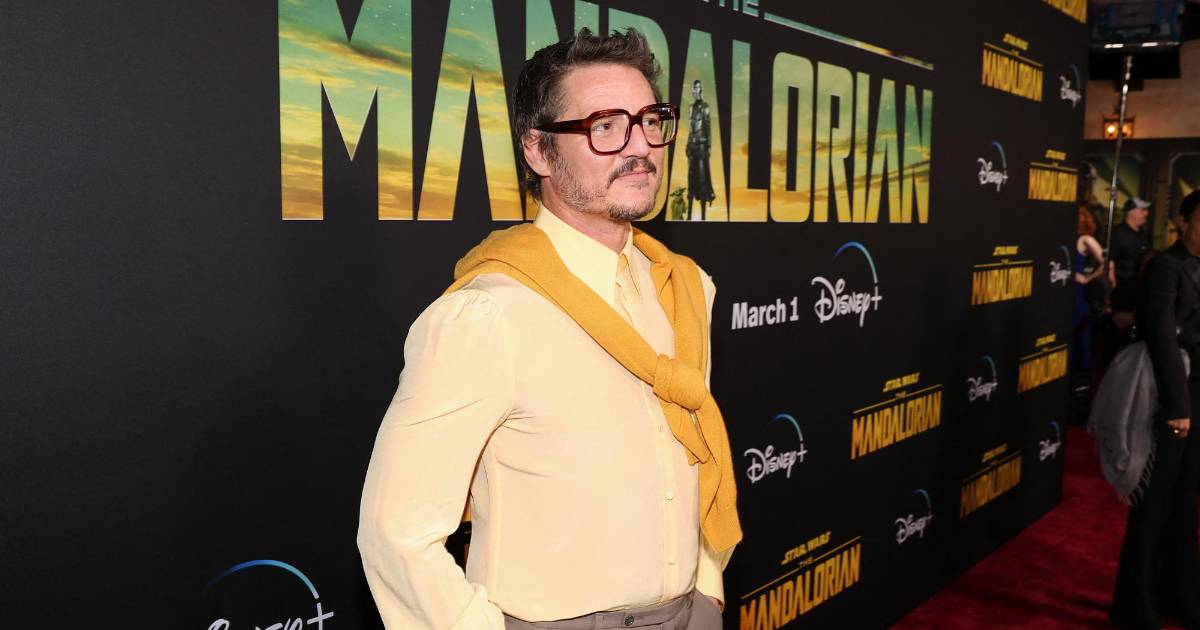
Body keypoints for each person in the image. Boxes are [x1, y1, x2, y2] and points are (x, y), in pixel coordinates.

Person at [357, 28, 740, 630]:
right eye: (605, 126)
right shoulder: (488, 316)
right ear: (538, 151)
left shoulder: (686, 289)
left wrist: (707, 589)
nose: (640, 147)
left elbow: (695, 456)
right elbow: (395, 533)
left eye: (649, 121)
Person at [1111, 190, 1200, 629]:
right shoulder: (1166, 265)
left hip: (1197, 397)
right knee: (1152, 506)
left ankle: (1178, 596)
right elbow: (1162, 337)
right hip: (1169, 398)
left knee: (1185, 506)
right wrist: (1178, 407)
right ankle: (1135, 611)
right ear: (1183, 222)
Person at [1110, 197, 1152, 313]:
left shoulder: (1143, 234)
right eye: (1143, 210)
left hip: (1139, 289)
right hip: (1121, 290)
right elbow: (1109, 260)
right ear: (1131, 212)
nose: (1146, 213)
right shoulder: (1118, 234)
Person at [685, 79, 715, 220]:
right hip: (692, 146)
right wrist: (687, 145)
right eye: (694, 88)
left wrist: (709, 146)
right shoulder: (691, 108)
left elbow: (708, 128)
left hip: (702, 148)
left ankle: (703, 216)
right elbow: (691, 129)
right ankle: (689, 215)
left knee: (702, 180)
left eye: (697, 88)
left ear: (700, 90)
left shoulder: (705, 107)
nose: (695, 90)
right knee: (691, 179)